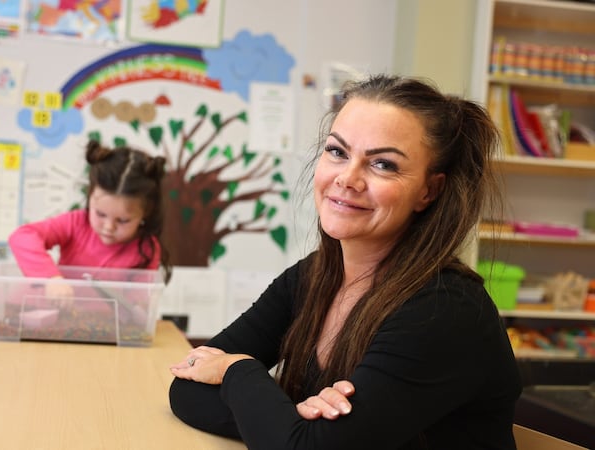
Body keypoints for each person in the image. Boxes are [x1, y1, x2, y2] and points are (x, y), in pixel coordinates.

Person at [168, 74, 521, 449]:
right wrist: (293, 427)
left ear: (429, 190)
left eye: (383, 164)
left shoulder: (444, 308)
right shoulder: (311, 276)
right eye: (337, 151)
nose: (348, 179)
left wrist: (236, 370)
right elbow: (187, 389)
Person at [9, 139, 172, 286]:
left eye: (122, 220)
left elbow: (138, 308)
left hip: (111, 320)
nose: (108, 227)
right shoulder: (75, 223)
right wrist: (51, 279)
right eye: (100, 214)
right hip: (59, 316)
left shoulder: (146, 249)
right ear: (90, 198)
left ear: (146, 213)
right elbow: (22, 237)